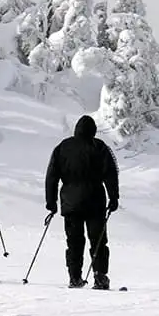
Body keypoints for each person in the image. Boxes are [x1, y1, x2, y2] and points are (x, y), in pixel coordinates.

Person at [45, 115, 119, 290]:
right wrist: (114, 197)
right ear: (93, 131)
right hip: (95, 202)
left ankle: (74, 277)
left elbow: (52, 176)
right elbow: (110, 173)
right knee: (98, 241)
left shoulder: (62, 147)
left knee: (74, 241)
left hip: (71, 203)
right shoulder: (100, 147)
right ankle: (100, 277)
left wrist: (51, 202)